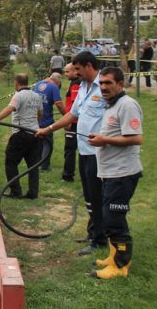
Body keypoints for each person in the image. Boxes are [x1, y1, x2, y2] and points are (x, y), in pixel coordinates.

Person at [36, 51, 107, 255]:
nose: (74, 73)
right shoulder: (83, 87)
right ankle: (92, 232)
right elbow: (71, 115)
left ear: (88, 66)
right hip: (84, 150)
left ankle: (99, 239)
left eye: (77, 69)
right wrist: (48, 129)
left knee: (97, 195)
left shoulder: (104, 87)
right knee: (89, 195)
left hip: (98, 153)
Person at [87, 67, 143, 279]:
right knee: (111, 216)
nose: (103, 87)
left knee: (114, 219)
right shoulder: (112, 105)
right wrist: (101, 137)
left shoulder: (127, 105)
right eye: (101, 83)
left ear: (120, 83)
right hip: (110, 173)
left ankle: (120, 267)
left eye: (108, 83)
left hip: (123, 173)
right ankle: (113, 257)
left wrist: (105, 140)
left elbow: (136, 138)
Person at [0, 73, 43, 199]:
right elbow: (40, 113)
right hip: (35, 134)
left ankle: (16, 191)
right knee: (33, 166)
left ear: (16, 82)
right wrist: (36, 125)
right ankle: (33, 193)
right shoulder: (37, 96)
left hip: (20, 135)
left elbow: (9, 109)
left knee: (11, 162)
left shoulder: (18, 95)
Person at [33, 73, 65, 171]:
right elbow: (59, 104)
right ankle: (44, 166)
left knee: (38, 141)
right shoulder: (54, 87)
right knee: (47, 142)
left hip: (36, 118)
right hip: (46, 119)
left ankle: (36, 163)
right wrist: (66, 115)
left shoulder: (38, 84)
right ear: (58, 82)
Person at [62, 63, 80, 182]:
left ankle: (68, 175)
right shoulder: (74, 83)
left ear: (75, 71)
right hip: (74, 120)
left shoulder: (76, 84)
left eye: (68, 71)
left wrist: (69, 121)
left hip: (74, 122)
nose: (66, 74)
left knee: (69, 149)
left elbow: (75, 104)